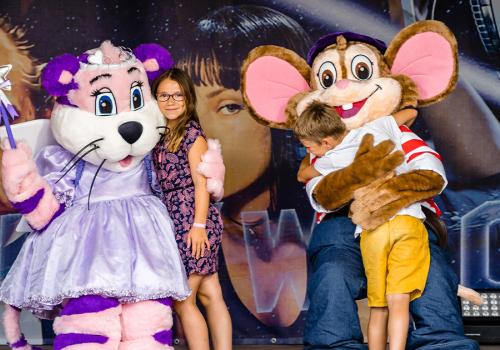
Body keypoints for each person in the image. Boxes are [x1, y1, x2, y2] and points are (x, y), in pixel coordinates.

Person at [174, 4, 314, 336]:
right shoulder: (176, 240)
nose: (201, 131)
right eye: (188, 107)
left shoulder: (340, 220)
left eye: (230, 106)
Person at [295, 102, 435, 350]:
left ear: (326, 143)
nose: (309, 151)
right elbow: (411, 112)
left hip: (373, 231)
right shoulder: (376, 126)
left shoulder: (333, 158)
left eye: (309, 146)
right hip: (407, 222)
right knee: (399, 301)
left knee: (378, 306)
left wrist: (311, 159)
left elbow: (302, 175)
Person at [151, 68, 232, 350]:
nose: (171, 101)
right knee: (210, 292)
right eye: (164, 95)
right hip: (175, 217)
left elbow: (201, 185)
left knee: (183, 299)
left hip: (194, 218)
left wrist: (198, 228)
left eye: (177, 95)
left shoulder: (191, 136)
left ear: (188, 98)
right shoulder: (161, 135)